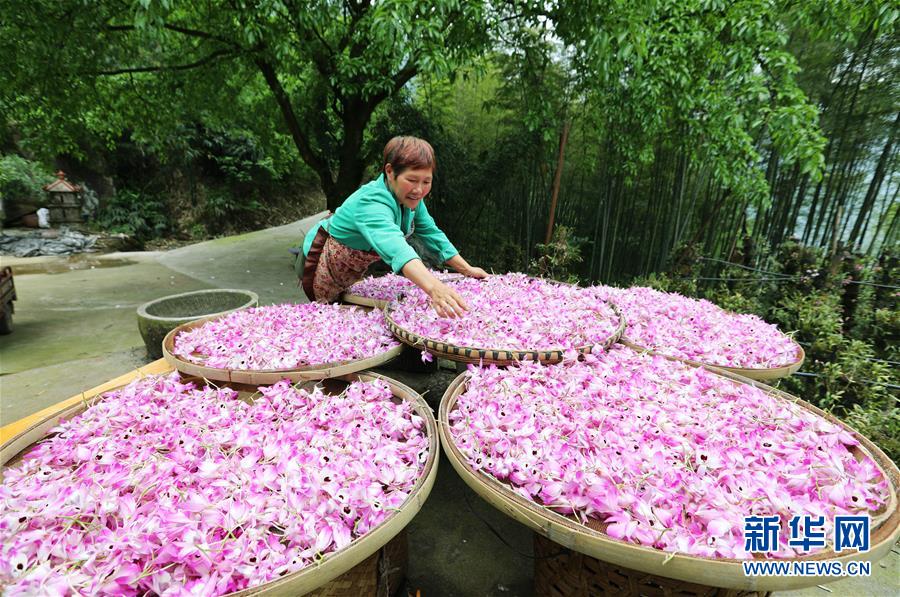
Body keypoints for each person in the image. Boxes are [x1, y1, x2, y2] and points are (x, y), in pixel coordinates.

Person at [300, 136, 487, 317]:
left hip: (352, 269)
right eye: (412, 180)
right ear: (390, 172)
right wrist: (435, 288)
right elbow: (397, 248)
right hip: (323, 262)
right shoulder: (372, 203)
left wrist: (466, 269)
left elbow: (431, 233)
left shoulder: (411, 199)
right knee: (328, 312)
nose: (419, 190)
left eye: (426, 182)